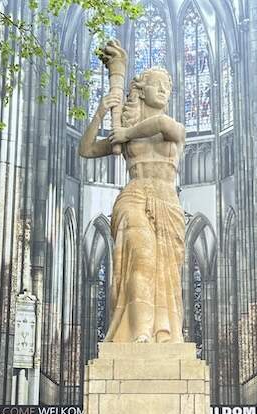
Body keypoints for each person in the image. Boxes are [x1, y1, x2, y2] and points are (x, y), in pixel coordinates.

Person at [78, 42, 187, 344]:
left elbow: (163, 124)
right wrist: (102, 111)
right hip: (135, 195)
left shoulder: (173, 127)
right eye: (157, 84)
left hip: (167, 200)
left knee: (166, 274)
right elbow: (86, 149)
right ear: (141, 90)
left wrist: (126, 133)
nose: (164, 90)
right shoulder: (125, 133)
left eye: (167, 87)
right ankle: (139, 334)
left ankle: (163, 334)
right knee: (141, 259)